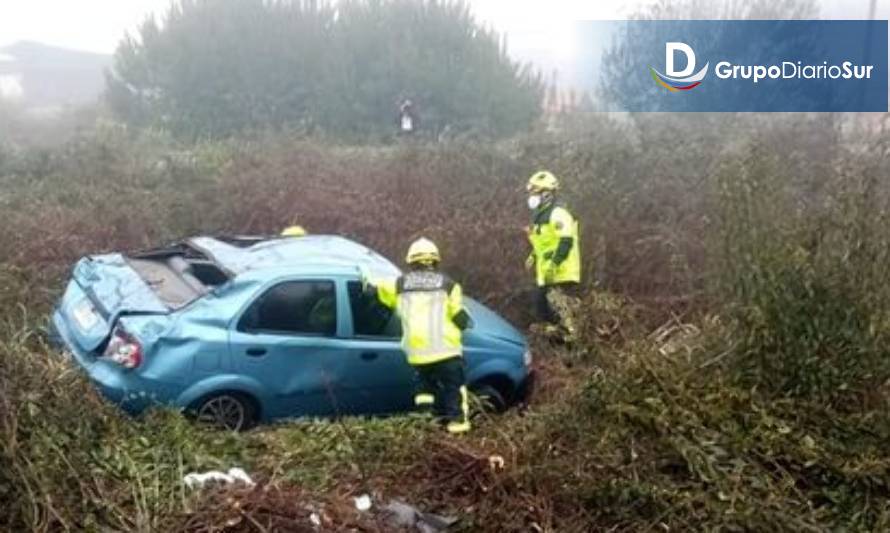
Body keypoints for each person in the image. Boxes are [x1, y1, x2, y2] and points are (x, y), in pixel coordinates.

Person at [362, 238, 471, 434]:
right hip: (447, 351)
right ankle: (459, 431)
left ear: (411, 262)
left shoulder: (399, 285)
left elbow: (374, 289)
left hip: (418, 354)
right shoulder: (449, 286)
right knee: (454, 390)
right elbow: (460, 319)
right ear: (435, 261)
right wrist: (467, 321)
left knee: (424, 391)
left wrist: (365, 278)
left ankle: (427, 424)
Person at [525, 170, 582, 343]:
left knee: (560, 313)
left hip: (561, 273)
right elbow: (545, 243)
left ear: (547, 193)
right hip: (547, 275)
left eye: (535, 192)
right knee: (541, 308)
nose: (531, 196)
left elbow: (565, 241)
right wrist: (533, 256)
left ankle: (572, 341)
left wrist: (554, 263)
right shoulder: (540, 216)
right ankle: (557, 344)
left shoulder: (558, 213)